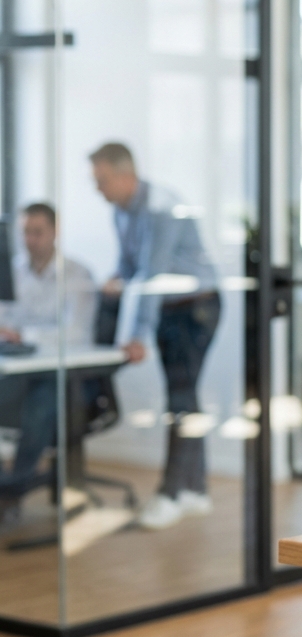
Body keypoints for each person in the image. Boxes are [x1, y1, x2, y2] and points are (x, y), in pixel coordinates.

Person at [89, 142, 220, 531]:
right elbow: (130, 267)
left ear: (125, 175)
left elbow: (152, 275)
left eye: (101, 180)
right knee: (185, 397)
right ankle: (195, 490)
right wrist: (114, 280)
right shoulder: (121, 212)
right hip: (170, 308)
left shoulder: (161, 207)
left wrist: (137, 335)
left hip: (196, 308)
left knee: (180, 399)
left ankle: (172, 493)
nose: (97, 189)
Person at [0, 203, 95, 516]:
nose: (30, 240)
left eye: (37, 232)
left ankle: (12, 490)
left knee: (41, 402)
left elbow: (77, 333)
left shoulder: (77, 274)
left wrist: (24, 335)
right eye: (26, 232)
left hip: (61, 375)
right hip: (17, 369)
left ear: (55, 232)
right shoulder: (12, 271)